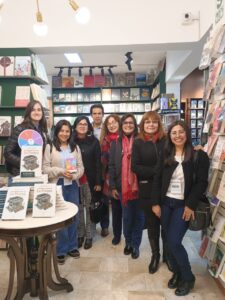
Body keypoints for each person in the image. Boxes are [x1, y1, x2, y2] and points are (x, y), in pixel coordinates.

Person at [151, 120, 209, 296]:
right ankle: (176, 272)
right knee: (168, 241)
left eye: (181, 132)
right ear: (170, 135)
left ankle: (188, 277)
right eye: (174, 133)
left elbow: (201, 183)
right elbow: (157, 178)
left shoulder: (199, 156)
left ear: (187, 133)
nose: (177, 135)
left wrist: (190, 205)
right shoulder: (166, 153)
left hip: (183, 205)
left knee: (175, 241)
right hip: (166, 203)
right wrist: (155, 203)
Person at [131, 111, 171, 273]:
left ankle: (167, 256)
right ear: (143, 125)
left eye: (154, 122)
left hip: (167, 189)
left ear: (159, 124)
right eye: (148, 122)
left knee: (166, 225)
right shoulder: (138, 142)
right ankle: (155, 255)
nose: (151, 125)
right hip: (147, 189)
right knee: (152, 224)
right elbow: (135, 166)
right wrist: (157, 171)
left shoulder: (166, 140)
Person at [43, 120, 84, 264]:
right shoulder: (50, 147)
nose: (65, 134)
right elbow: (45, 169)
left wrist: (74, 175)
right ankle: (61, 249)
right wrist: (60, 171)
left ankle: (72, 246)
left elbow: (80, 167)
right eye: (62, 130)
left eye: (67, 131)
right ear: (57, 131)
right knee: (60, 217)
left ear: (70, 132)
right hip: (57, 184)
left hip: (72, 184)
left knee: (73, 216)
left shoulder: (75, 147)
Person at [109, 114, 145, 259]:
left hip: (141, 188)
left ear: (135, 125)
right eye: (125, 123)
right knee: (127, 217)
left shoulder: (141, 141)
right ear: (121, 125)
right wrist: (112, 186)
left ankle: (136, 245)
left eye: (131, 123)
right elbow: (111, 165)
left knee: (139, 217)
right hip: (122, 187)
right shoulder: (116, 143)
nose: (128, 125)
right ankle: (128, 242)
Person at [73, 116, 102, 249]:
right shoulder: (70, 141)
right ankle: (80, 235)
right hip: (74, 180)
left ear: (88, 127)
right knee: (78, 208)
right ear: (75, 126)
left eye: (85, 124)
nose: (83, 126)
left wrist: (98, 181)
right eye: (80, 123)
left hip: (90, 180)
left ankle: (89, 236)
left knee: (90, 207)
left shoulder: (94, 142)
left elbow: (98, 162)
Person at [4, 100, 49, 177]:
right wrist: (24, 162)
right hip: (20, 174)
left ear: (42, 113)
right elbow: (7, 153)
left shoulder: (42, 130)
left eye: (39, 110)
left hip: (36, 172)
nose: (36, 112)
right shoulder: (20, 129)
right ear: (28, 112)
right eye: (33, 110)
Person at [100, 114, 121, 245]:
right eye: (109, 123)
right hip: (110, 177)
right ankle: (117, 234)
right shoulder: (105, 140)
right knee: (115, 206)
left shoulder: (126, 138)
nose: (112, 125)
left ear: (119, 123)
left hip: (126, 178)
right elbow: (104, 161)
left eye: (114, 122)